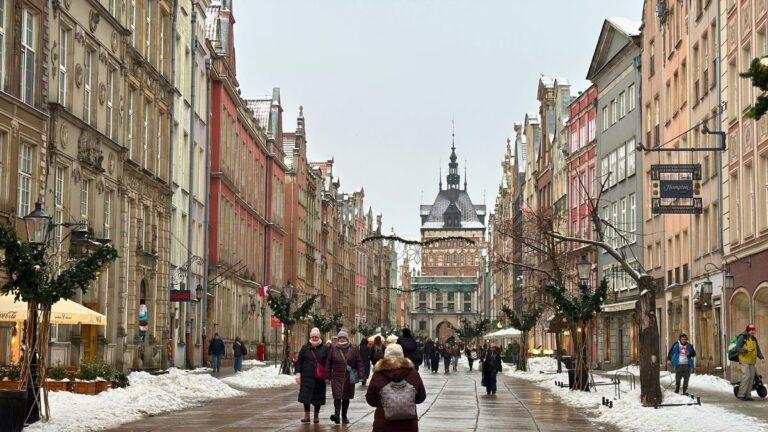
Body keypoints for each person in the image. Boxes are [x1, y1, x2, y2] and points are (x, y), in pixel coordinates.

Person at [365, 343, 427, 432]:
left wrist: (385, 403)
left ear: (386, 355)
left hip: (383, 424)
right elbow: (421, 397)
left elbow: (370, 399)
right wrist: (407, 400)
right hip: (408, 425)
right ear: (402, 355)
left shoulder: (378, 374)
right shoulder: (413, 373)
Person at [325, 329, 365, 424]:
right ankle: (337, 415)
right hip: (336, 377)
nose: (342, 339)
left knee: (346, 397)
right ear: (338, 339)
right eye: (340, 338)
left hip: (349, 376)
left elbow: (359, 362)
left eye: (343, 337)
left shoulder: (353, 349)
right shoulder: (333, 349)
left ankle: (344, 416)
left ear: (347, 338)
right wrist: (327, 375)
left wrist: (361, 374)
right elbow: (328, 363)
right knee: (337, 396)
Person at [295, 328, 329, 423]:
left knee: (317, 398)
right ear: (310, 337)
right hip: (307, 377)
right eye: (313, 337)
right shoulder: (305, 348)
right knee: (306, 398)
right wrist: (298, 373)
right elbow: (299, 362)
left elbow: (329, 362)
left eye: (316, 337)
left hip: (319, 378)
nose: (314, 338)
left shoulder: (325, 348)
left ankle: (316, 416)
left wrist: (328, 372)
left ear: (319, 337)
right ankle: (307, 416)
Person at [734, 324, 765, 401]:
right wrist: (745, 350)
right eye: (751, 330)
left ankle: (748, 395)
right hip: (744, 360)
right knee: (746, 376)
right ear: (748, 330)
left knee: (751, 377)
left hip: (752, 360)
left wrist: (761, 357)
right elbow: (737, 348)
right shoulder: (742, 337)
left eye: (753, 330)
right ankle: (741, 395)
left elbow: (757, 349)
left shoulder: (754, 338)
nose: (753, 331)